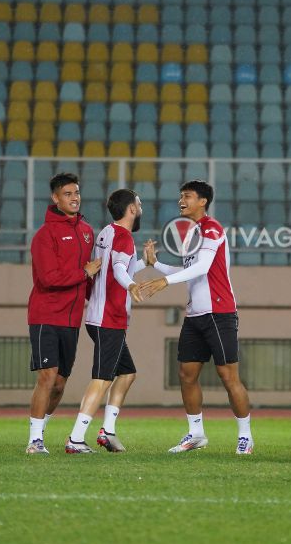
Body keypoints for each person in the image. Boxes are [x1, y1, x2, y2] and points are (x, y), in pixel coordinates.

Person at [138, 180, 254, 455]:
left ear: (202, 201)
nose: (181, 200)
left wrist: (165, 281)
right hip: (195, 314)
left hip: (219, 312)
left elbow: (203, 266)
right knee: (186, 375)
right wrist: (156, 266)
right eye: (180, 195)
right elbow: (188, 269)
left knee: (228, 377)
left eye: (187, 196)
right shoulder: (190, 235)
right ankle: (196, 433)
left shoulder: (212, 228)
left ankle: (246, 437)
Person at [65, 189, 145, 454]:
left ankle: (107, 431)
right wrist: (132, 284)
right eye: (139, 203)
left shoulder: (107, 232)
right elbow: (121, 271)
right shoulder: (124, 236)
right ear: (131, 209)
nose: (141, 207)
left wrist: (144, 263)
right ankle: (76, 439)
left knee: (127, 373)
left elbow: (113, 268)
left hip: (98, 317)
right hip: (108, 319)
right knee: (102, 379)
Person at [26, 173, 100, 454]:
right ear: (55, 198)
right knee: (47, 376)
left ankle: (40, 430)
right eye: (67, 194)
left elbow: (89, 279)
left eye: (77, 192)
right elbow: (47, 278)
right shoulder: (45, 235)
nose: (74, 198)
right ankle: (34, 441)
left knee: (59, 384)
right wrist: (84, 272)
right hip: (45, 315)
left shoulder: (87, 231)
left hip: (72, 319)